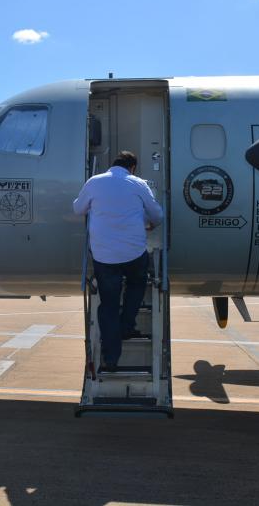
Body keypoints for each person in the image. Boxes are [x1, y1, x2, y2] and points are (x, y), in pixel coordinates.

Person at [73, 151, 163, 372]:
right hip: (133, 253)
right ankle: (127, 324)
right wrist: (148, 225)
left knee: (109, 305)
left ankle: (111, 357)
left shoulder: (94, 182)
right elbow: (157, 215)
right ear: (132, 167)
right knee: (136, 283)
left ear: (112, 165)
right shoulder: (138, 183)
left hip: (104, 256)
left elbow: (77, 208)